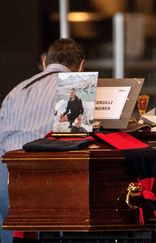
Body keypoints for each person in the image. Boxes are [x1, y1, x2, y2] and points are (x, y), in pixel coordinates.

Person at [0, 38, 85, 243]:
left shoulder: (17, 90)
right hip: (50, 189)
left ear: (45, 62)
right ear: (81, 66)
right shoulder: (76, 87)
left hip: (8, 189)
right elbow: (74, 145)